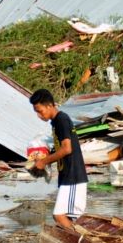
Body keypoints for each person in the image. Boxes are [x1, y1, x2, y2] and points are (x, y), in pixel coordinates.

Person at [30, 89, 88, 229]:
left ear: (50, 105)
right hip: (67, 176)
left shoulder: (61, 120)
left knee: (59, 216)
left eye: (40, 110)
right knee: (64, 217)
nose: (39, 115)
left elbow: (67, 149)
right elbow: (61, 148)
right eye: (36, 112)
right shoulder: (56, 122)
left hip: (73, 176)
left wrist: (44, 161)